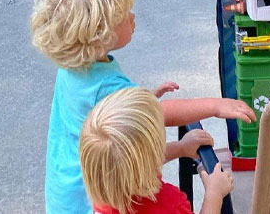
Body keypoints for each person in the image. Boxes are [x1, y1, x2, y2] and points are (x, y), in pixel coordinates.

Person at [31, 0, 254, 214]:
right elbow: (157, 114)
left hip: (72, 193)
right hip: (90, 200)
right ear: (99, 34)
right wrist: (215, 106)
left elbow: (110, 123)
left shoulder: (72, 68)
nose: (133, 17)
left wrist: (141, 97)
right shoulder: (105, 86)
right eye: (124, 17)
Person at [80, 87, 234, 214]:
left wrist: (180, 148)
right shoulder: (169, 205)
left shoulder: (105, 197)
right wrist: (214, 194)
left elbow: (133, 163)